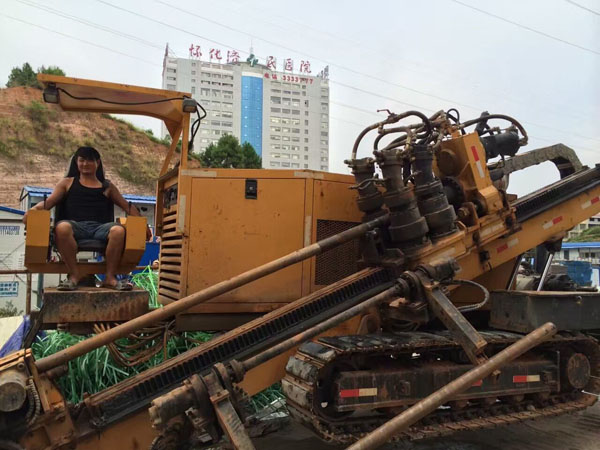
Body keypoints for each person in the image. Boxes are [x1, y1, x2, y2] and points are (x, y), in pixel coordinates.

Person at [23, 146, 150, 290]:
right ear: (76, 162)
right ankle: (74, 275)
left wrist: (142, 223)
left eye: (89, 161)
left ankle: (109, 277)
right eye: (81, 160)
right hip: (76, 226)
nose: (85, 164)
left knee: (118, 231)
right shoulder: (67, 183)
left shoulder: (107, 187)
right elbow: (49, 202)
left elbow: (126, 206)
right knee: (62, 228)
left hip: (100, 229)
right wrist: (32, 211)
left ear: (98, 163)